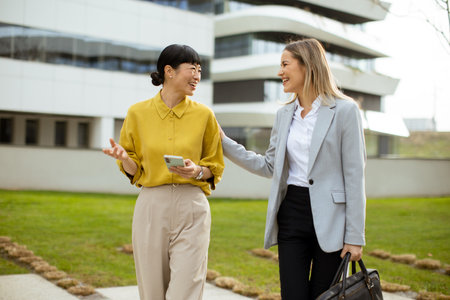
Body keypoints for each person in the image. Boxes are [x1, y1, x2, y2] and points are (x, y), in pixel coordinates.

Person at [219, 38, 366, 299]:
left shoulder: (345, 111)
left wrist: (355, 236)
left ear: (307, 66)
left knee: (324, 296)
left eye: (285, 64)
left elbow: (354, 176)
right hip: (292, 214)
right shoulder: (284, 115)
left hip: (332, 219)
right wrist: (223, 142)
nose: (280, 72)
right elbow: (270, 165)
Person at [102, 44, 224, 300]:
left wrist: (197, 172)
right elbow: (135, 170)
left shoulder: (205, 116)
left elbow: (214, 166)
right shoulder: (137, 113)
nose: (197, 76)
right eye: (192, 69)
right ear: (169, 71)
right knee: (152, 290)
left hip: (192, 206)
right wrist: (125, 159)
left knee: (186, 289)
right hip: (151, 206)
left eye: (200, 70)